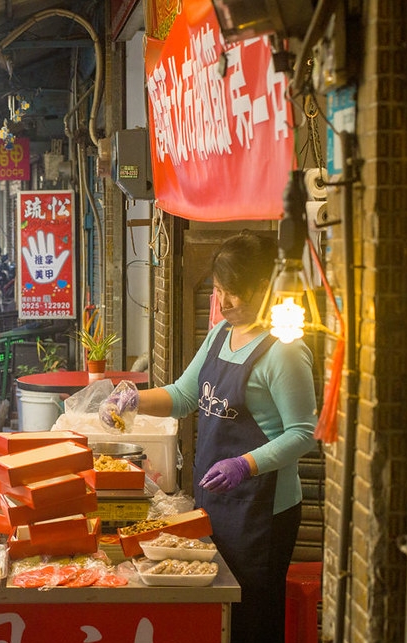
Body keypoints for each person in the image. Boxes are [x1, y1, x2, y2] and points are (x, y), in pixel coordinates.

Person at [111, 231, 317, 643]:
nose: (223, 303)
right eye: (220, 291)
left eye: (234, 293)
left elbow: (303, 433)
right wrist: (131, 398)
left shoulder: (284, 351)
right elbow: (185, 395)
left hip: (264, 510)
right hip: (216, 502)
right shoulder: (220, 334)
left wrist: (246, 464)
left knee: (253, 615)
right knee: (219, 611)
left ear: (265, 287)